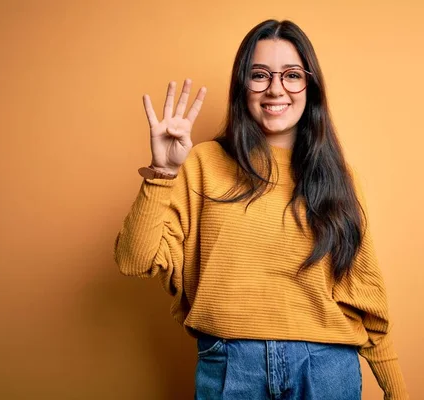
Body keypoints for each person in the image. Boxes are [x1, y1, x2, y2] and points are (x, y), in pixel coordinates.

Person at [114, 19, 408, 400]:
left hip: (326, 368)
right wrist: (163, 172)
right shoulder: (201, 163)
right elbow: (133, 261)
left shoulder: (339, 176)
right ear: (242, 86)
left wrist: (395, 388)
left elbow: (363, 289)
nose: (275, 89)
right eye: (259, 75)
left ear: (310, 86)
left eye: (291, 75)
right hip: (232, 367)